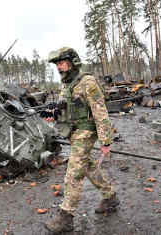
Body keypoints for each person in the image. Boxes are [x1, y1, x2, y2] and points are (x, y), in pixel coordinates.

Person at [45, 47, 120, 233]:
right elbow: (64, 105)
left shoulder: (87, 82)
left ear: (72, 62)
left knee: (74, 171)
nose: (59, 67)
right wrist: (53, 112)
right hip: (73, 130)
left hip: (86, 131)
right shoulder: (66, 84)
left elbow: (100, 111)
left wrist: (106, 140)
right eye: (57, 64)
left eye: (62, 63)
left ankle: (66, 216)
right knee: (87, 166)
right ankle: (110, 196)